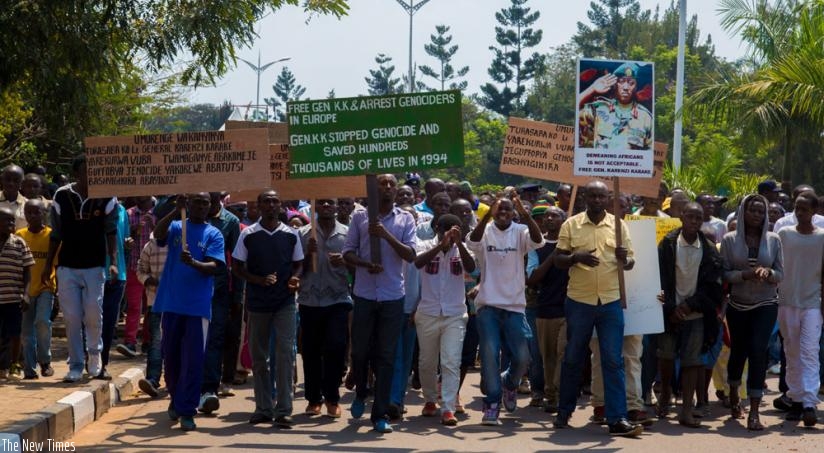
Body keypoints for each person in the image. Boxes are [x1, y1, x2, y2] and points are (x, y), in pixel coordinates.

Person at [553, 180, 642, 437]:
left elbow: (631, 263)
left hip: (611, 302)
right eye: (592, 196)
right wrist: (575, 258)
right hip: (579, 302)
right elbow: (558, 260)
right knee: (573, 358)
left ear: (608, 199)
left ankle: (617, 419)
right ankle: (564, 411)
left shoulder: (618, 225)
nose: (597, 201)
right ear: (584, 198)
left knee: (613, 361)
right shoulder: (571, 224)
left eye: (601, 197)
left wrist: (626, 259)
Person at [343, 174, 416, 434]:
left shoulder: (405, 218)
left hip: (392, 296)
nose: (386, 187)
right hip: (363, 294)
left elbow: (410, 254)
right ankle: (361, 391)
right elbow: (347, 252)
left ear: (396, 190)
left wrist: (385, 235)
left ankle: (380, 414)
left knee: (385, 356)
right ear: (373, 189)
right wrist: (364, 264)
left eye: (391, 184)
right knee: (360, 352)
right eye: (381, 184)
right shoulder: (360, 217)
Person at [467, 193, 544, 426]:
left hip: (515, 305)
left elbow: (538, 240)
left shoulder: (521, 231)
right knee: (490, 354)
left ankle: (509, 383)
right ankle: (491, 404)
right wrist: (486, 217)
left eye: (508, 210)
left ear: (514, 212)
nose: (503, 213)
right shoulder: (486, 229)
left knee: (523, 357)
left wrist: (526, 214)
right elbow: (472, 241)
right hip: (488, 304)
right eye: (499, 209)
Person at [152, 193, 225, 431]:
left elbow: (215, 266)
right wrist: (175, 211)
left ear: (210, 206)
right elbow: (158, 234)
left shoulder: (213, 233)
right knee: (171, 357)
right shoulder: (176, 226)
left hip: (197, 306)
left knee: (193, 360)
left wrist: (194, 262)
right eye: (197, 202)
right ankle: (175, 398)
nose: (202, 206)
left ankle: (187, 410)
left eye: (206, 203)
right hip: (171, 302)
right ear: (189, 204)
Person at [45, 154, 119, 383]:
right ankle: (76, 364)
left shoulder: (107, 196)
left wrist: (113, 262)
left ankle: (94, 358)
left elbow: (111, 231)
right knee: (72, 316)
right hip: (67, 266)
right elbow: (55, 233)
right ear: (77, 173)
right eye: (87, 171)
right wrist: (48, 265)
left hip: (95, 266)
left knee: (93, 313)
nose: (91, 175)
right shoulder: (62, 195)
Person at [232, 190, 303, 426]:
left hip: (285, 303)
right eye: (266, 201)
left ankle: (284, 410)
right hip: (257, 303)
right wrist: (258, 280)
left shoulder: (291, 234)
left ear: (280, 205)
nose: (271, 205)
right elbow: (237, 267)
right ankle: (263, 408)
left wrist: (295, 278)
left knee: (284, 356)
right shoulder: (248, 235)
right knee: (259, 357)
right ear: (259, 206)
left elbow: (299, 264)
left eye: (275, 201)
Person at [657, 202, 724, 427]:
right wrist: (671, 309)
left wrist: (689, 306)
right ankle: (665, 392)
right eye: (690, 217)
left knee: (692, 362)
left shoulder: (709, 249)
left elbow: (713, 286)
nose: (694, 221)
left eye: (699, 218)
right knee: (665, 355)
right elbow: (659, 277)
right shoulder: (667, 244)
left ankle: (686, 409)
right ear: (682, 217)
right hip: (670, 312)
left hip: (695, 314)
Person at [720, 194, 783, 430]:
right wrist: (744, 275)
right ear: (743, 212)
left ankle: (754, 411)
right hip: (737, 304)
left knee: (758, 350)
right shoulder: (728, 240)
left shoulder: (774, 240)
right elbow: (724, 274)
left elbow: (781, 274)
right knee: (739, 350)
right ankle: (734, 390)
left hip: (766, 303)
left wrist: (769, 274)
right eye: (752, 211)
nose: (756, 215)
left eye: (760, 211)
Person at [414, 213, 475, 426]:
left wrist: (459, 243)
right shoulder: (425, 244)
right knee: (427, 362)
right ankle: (430, 399)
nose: (449, 233)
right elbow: (417, 262)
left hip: (455, 314)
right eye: (445, 229)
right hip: (428, 312)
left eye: (454, 230)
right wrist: (441, 245)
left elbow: (471, 268)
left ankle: (448, 407)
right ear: (437, 229)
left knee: (451, 362)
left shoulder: (463, 248)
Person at [297, 198, 351, 419]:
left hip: (337, 298)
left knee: (336, 348)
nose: (327, 206)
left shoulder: (347, 234)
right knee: (311, 351)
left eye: (331, 203)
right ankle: (313, 399)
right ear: (315, 207)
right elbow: (297, 266)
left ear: (337, 207)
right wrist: (309, 254)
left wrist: (345, 263)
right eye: (322, 203)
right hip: (310, 299)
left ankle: (332, 398)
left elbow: (357, 265)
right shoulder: (303, 234)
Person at [776, 192, 824, 426]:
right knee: (791, 351)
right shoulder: (784, 234)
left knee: (809, 351)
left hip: (812, 303)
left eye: (804, 208)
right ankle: (795, 399)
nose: (799, 212)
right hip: (786, 301)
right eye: (797, 207)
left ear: (814, 211)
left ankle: (809, 404)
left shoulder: (822, 238)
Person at [199, 192, 241, 413]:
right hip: (193, 289)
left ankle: (209, 389)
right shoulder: (191, 218)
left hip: (220, 290)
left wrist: (238, 297)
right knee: (195, 339)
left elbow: (237, 260)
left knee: (215, 340)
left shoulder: (231, 222)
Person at [526, 205, 569, 413]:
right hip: (544, 308)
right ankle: (550, 395)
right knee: (547, 357)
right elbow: (532, 278)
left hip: (569, 309)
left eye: (555, 215)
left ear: (564, 219)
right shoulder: (537, 246)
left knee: (563, 353)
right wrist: (552, 257)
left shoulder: (572, 243)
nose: (550, 219)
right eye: (547, 216)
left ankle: (560, 395)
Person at [17, 200, 56, 379]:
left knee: (42, 322)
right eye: (29, 213)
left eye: (36, 212)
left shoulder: (51, 235)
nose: (32, 216)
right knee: (26, 332)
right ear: (25, 214)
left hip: (46, 287)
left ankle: (45, 361)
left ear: (44, 214)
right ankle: (29, 368)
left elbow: (58, 262)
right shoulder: (19, 235)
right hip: (25, 290)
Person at [578, 63, 652, 150]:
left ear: (636, 87)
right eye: (621, 81)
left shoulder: (645, 117)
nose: (626, 87)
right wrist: (592, 88)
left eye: (631, 83)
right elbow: (573, 112)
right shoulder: (599, 109)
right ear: (615, 85)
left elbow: (650, 154)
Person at [118, 196, 156, 358]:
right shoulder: (128, 214)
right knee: (134, 307)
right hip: (134, 267)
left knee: (151, 307)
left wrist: (154, 225)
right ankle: (130, 342)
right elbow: (125, 238)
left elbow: (163, 237)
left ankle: (149, 342)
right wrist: (135, 230)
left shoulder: (159, 213)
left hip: (154, 269)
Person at [0, 207, 34, 380]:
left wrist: (26, 294)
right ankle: (2, 366)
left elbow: (28, 271)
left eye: (12, 220)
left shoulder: (19, 243)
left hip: (13, 298)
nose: (11, 224)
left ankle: (15, 365)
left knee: (15, 334)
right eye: (7, 220)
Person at [136, 233, 168, 398]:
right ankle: (153, 379)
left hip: (178, 302)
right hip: (155, 301)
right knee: (156, 340)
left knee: (175, 341)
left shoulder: (181, 243)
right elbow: (140, 270)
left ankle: (172, 379)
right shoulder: (150, 246)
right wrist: (149, 280)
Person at [0, 165, 27, 231]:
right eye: (8, 179)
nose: (11, 183)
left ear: (22, 183)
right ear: (1, 180)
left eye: (16, 180)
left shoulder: (27, 205)